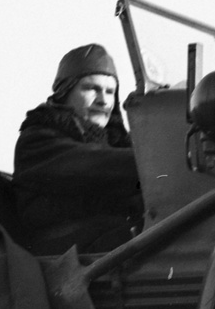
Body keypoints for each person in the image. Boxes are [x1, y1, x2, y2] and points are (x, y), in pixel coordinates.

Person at [12, 44, 144, 255]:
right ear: (65, 92)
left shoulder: (117, 142)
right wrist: (154, 160)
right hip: (56, 249)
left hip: (97, 239)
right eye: (91, 88)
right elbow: (93, 165)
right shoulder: (38, 139)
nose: (103, 101)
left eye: (110, 92)